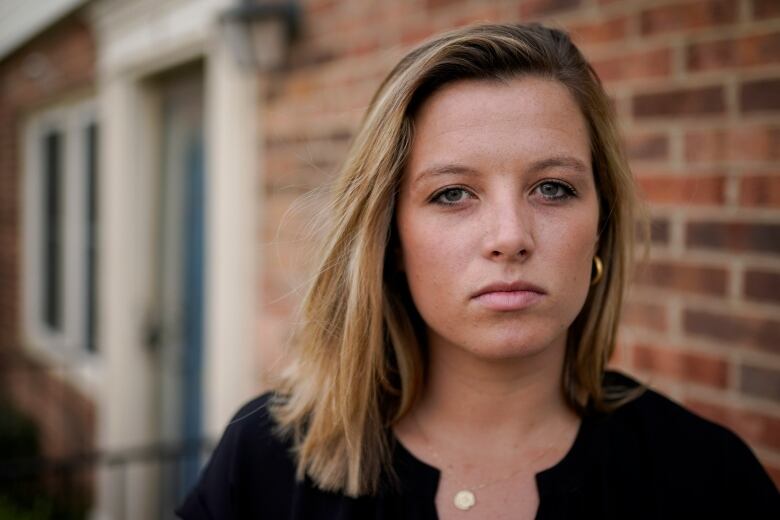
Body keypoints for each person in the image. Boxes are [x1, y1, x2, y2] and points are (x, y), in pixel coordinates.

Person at [177, 23, 779, 519]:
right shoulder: (265, 460)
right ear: (390, 238)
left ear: (601, 223)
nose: (510, 238)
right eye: (452, 194)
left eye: (552, 187)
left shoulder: (706, 478)